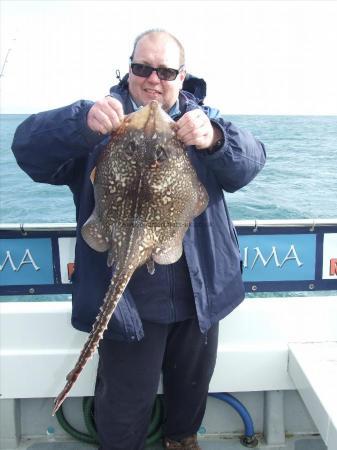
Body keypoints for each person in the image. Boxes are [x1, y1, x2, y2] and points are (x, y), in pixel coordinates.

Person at [12, 29, 266, 450]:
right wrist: (80, 123)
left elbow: (251, 162)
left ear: (182, 76)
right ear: (127, 69)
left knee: (189, 398)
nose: (153, 78)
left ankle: (182, 440)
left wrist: (215, 139)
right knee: (124, 409)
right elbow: (27, 150)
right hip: (130, 304)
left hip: (199, 298)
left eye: (165, 70)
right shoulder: (102, 124)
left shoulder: (203, 121)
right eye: (142, 67)